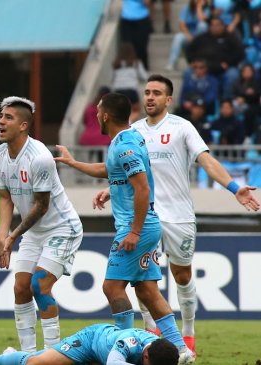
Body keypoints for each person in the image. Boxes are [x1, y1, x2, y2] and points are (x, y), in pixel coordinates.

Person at [90, 76, 259, 353]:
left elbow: (206, 160)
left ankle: (188, 332)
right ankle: (152, 338)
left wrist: (234, 187)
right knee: (143, 281)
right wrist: (111, 189)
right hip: (146, 218)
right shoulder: (134, 131)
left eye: (157, 93)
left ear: (168, 100)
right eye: (146, 92)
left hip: (179, 215)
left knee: (181, 275)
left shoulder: (182, 127)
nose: (150, 97)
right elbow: (131, 171)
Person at [54, 92, 195, 364]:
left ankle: (124, 343)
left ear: (106, 115)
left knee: (112, 288)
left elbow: (142, 188)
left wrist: (134, 232)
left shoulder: (125, 144)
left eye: (97, 111)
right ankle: (181, 350)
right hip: (146, 226)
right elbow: (111, 170)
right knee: (146, 290)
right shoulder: (127, 140)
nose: (95, 115)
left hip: (136, 228)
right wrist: (73, 163)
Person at [0, 96, 83, 352]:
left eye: (9, 117)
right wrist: (1, 235)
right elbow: (5, 197)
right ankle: (28, 355)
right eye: (1, 116)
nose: (1, 122)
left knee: (39, 284)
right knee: (20, 288)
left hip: (63, 227)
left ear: (23, 126)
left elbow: (41, 206)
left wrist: (13, 236)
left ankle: (53, 354)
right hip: (34, 231)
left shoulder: (39, 157)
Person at [0, 323, 179, 365]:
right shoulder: (129, 344)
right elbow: (113, 362)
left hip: (102, 354)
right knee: (37, 363)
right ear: (145, 356)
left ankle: (13, 354)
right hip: (91, 342)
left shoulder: (163, 352)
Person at [165, 0, 209, 71]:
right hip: (188, 34)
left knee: (202, 25)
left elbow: (202, 20)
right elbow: (182, 24)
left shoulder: (207, 9)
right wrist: (188, 35)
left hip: (200, 37)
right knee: (178, 37)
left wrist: (199, 7)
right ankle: (171, 63)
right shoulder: (186, 8)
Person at [112, 43, 148, 122]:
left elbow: (112, 77)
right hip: (131, 91)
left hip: (118, 91)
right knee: (137, 110)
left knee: (120, 111)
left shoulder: (116, 64)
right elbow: (144, 76)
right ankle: (130, 121)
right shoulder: (136, 63)